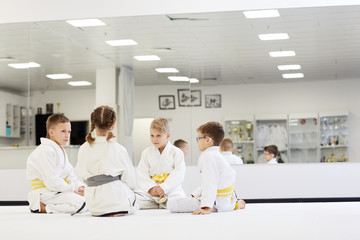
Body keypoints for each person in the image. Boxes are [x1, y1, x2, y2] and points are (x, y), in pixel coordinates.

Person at [168, 121, 246, 215]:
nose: (197, 142)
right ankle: (235, 204)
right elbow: (215, 182)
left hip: (216, 203)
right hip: (227, 200)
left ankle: (220, 205)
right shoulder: (217, 155)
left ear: (208, 140)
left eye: (199, 138)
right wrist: (197, 193)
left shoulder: (208, 156)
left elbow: (210, 183)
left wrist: (206, 207)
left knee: (172, 204)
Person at [75, 106, 137, 217]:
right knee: (135, 196)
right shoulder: (119, 149)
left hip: (94, 204)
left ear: (93, 123)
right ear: (112, 126)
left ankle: (106, 209)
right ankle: (117, 209)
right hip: (116, 199)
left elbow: (81, 176)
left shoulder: (83, 148)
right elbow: (131, 181)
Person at [26, 114, 85, 214]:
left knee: (90, 201)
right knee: (82, 204)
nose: (67, 135)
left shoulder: (59, 149)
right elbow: (51, 181)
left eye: (69, 131)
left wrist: (80, 187)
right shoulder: (45, 151)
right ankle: (44, 208)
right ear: (51, 132)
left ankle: (49, 206)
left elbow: (70, 174)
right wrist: (73, 191)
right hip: (45, 192)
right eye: (63, 131)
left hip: (57, 191)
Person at [136, 118, 186, 209]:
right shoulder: (146, 153)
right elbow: (142, 173)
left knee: (176, 202)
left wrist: (164, 187)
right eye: (152, 135)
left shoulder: (176, 152)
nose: (154, 139)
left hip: (171, 190)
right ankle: (158, 204)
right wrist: (151, 188)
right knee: (134, 200)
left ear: (167, 136)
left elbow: (179, 173)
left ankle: (164, 204)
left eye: (158, 135)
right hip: (151, 193)